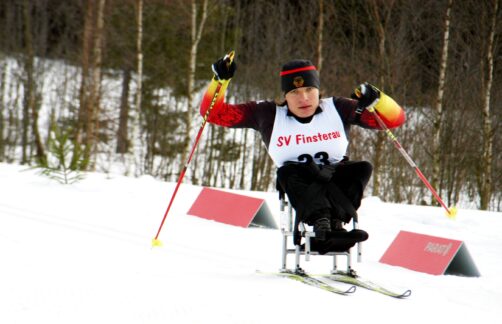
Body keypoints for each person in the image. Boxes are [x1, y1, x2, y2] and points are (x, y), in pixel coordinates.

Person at [200, 54, 406, 253]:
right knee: (287, 173)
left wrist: (378, 100)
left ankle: (335, 224)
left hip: (336, 179)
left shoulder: (338, 107)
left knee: (363, 168)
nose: (304, 98)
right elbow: (214, 114)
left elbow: (394, 120)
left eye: (309, 89)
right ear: (285, 96)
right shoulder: (267, 114)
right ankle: (321, 223)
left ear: (318, 90)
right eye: (294, 93)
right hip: (298, 181)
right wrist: (220, 81)